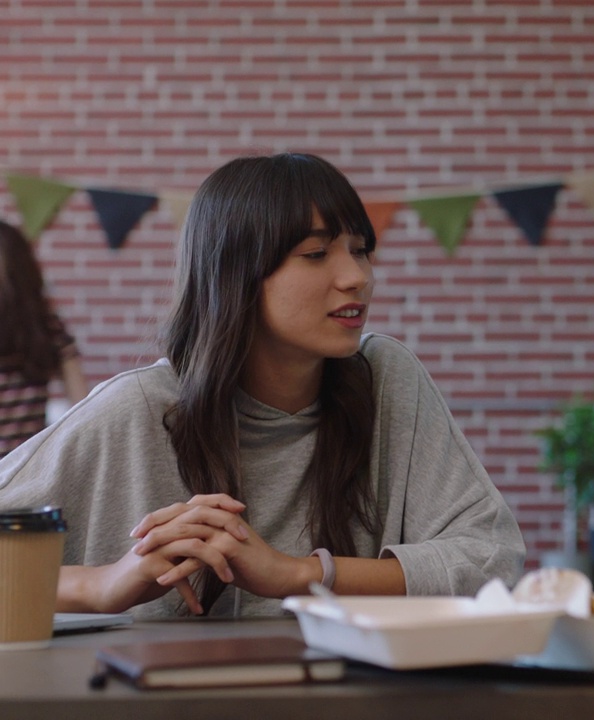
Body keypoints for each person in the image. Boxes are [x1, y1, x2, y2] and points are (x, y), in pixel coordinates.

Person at [0, 153, 525, 619]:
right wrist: (101, 585)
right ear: (236, 274)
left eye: (361, 249)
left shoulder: (386, 379)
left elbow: (493, 559)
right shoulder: (139, 408)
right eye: (317, 254)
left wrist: (300, 574)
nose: (357, 277)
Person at [0, 220, 89, 458]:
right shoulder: (45, 325)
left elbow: (82, 407)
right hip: (26, 469)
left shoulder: (45, 326)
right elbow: (83, 407)